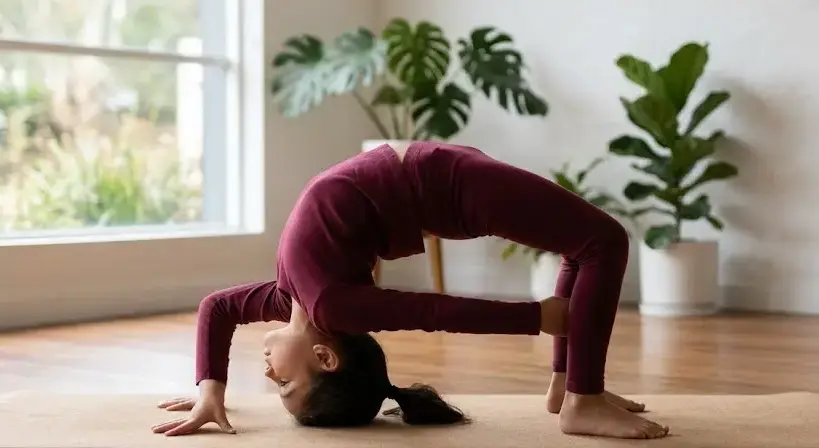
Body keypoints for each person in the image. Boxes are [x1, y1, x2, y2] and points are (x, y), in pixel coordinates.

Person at [150, 141, 669, 440]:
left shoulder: (297, 296)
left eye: (278, 386)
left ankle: (570, 388)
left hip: (434, 178)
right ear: (325, 357)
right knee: (602, 241)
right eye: (284, 385)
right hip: (444, 186)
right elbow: (433, 311)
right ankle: (583, 399)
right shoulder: (332, 302)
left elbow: (216, 307)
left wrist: (209, 391)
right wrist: (535, 316)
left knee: (587, 246)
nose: (267, 376)